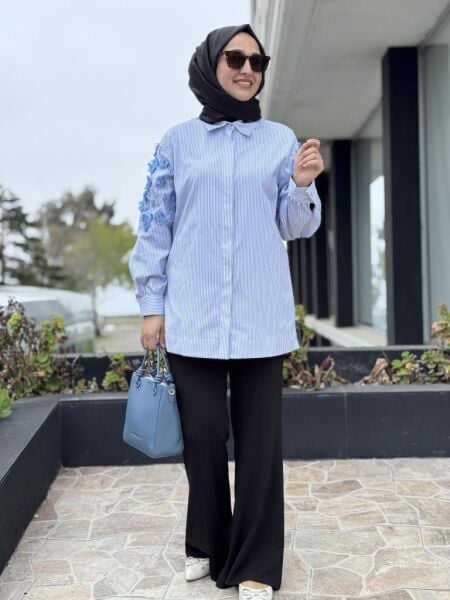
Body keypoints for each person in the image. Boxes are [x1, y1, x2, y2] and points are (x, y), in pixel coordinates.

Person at [129, 23, 324, 600]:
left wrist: (301, 185)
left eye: (257, 62)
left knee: (260, 445)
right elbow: (155, 224)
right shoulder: (177, 142)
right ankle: (207, 544)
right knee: (203, 437)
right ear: (210, 65)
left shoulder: (280, 139)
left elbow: (296, 225)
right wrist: (152, 305)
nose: (246, 70)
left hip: (261, 318)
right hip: (192, 316)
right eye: (235, 58)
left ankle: (257, 563)